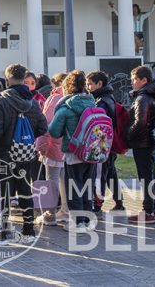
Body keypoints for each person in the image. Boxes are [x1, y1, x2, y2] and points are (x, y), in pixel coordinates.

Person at [0, 64, 48, 239]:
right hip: (25, 154)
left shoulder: (1, 102)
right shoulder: (32, 103)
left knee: (2, 192)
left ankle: (3, 229)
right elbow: (43, 126)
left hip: (3, 154)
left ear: (7, 80)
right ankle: (28, 228)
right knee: (25, 189)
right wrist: (26, 138)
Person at [46, 70, 96, 230]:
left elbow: (53, 131)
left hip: (74, 151)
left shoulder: (66, 108)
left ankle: (78, 222)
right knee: (87, 186)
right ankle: (88, 221)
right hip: (92, 151)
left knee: (74, 187)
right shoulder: (92, 103)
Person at [126, 65, 155, 224]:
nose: (132, 82)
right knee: (151, 175)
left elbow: (140, 122)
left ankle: (148, 211)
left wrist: (128, 135)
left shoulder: (142, 97)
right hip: (149, 140)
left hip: (142, 142)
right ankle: (154, 209)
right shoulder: (152, 95)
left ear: (144, 80)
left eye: (135, 79)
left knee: (146, 177)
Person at [86, 71, 125, 213]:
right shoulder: (109, 98)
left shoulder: (102, 102)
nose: (88, 87)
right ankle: (119, 201)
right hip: (110, 144)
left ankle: (97, 206)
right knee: (110, 173)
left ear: (99, 84)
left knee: (99, 175)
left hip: (102, 145)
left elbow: (99, 125)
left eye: (90, 84)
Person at [36, 72, 68, 226]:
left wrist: (40, 146)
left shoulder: (54, 98)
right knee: (64, 179)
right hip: (69, 146)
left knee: (52, 180)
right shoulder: (75, 98)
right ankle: (66, 210)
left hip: (53, 145)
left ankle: (50, 214)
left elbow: (46, 124)